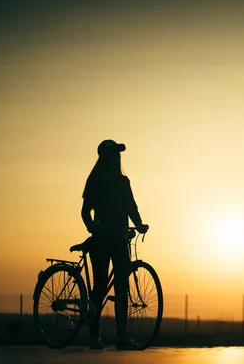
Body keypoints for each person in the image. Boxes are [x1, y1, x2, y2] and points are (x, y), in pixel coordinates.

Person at [81, 139, 148, 350]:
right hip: (104, 240)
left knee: (119, 286)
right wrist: (94, 228)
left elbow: (131, 207)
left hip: (118, 238)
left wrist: (139, 224)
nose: (117, 158)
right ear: (106, 157)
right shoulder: (97, 181)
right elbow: (85, 212)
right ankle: (97, 336)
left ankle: (121, 337)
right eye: (114, 154)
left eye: (118, 154)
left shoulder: (122, 181)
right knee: (102, 286)